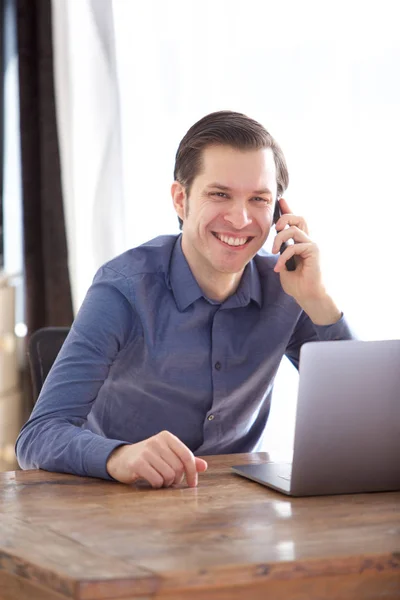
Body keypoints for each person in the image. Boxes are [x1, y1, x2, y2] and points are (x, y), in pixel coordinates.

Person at [16, 111, 354, 489]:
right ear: (181, 199)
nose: (241, 219)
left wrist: (317, 298)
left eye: (258, 199)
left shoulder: (287, 287)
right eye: (219, 194)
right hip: (124, 508)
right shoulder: (123, 290)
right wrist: (117, 455)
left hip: (237, 511)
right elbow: (38, 437)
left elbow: (367, 417)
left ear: (278, 212)